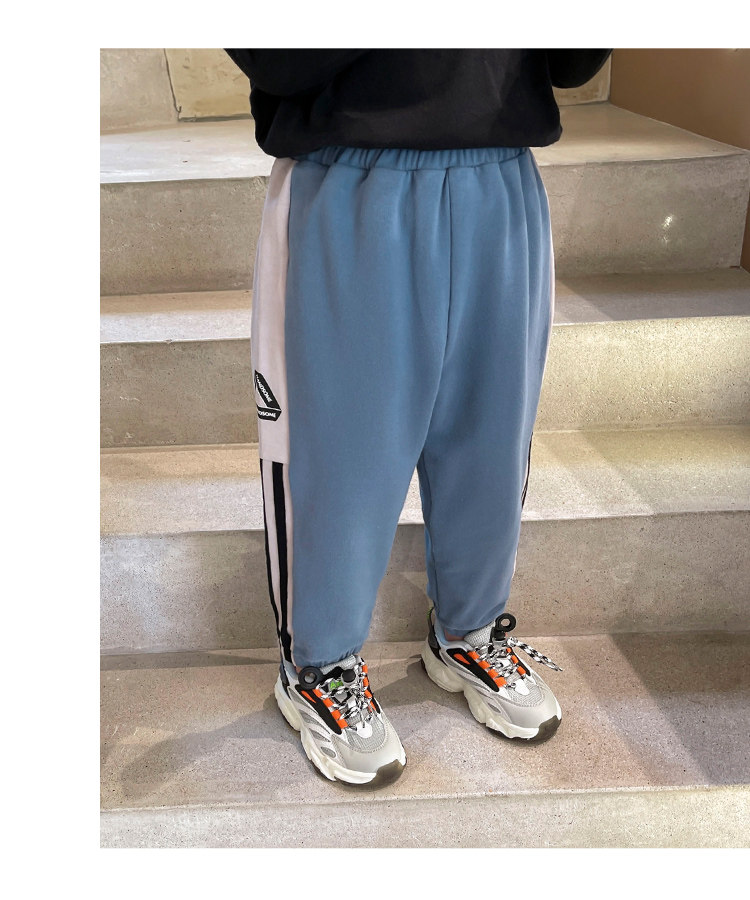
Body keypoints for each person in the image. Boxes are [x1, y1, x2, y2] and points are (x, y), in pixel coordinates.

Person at [224, 48, 613, 787]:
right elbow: (279, 59)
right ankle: (318, 665)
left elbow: (572, 61)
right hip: (350, 179)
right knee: (340, 454)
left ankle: (468, 631)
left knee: (492, 440)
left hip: (501, 176)